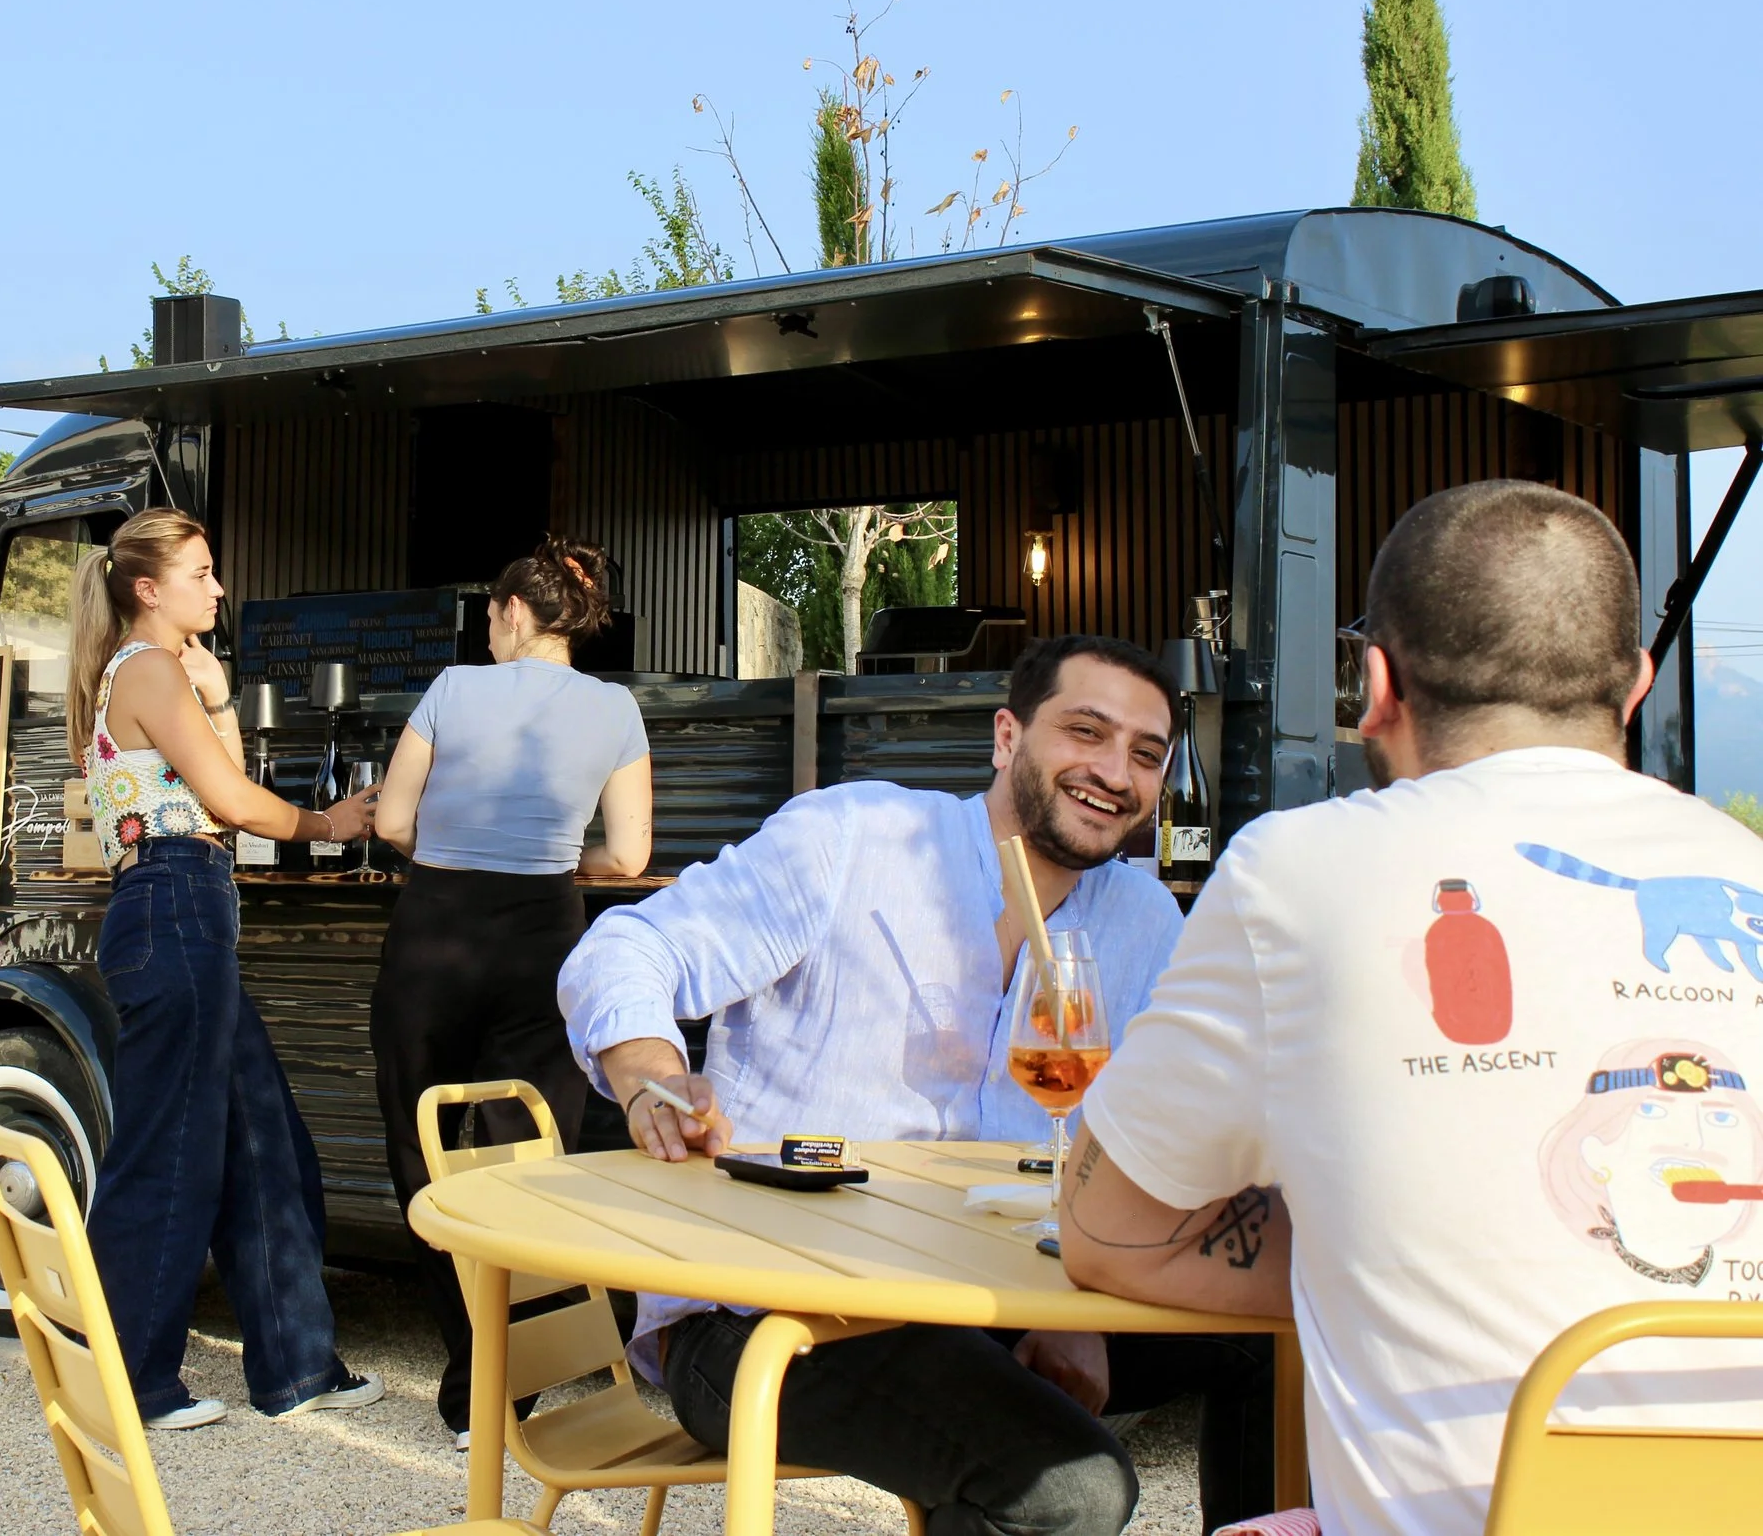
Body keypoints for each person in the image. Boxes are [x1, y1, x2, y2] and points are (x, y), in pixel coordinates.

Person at [1062, 481, 1763, 1536]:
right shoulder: (1745, 865)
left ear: (1375, 684)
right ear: (1635, 687)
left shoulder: (1297, 873)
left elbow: (1104, 1232)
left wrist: (1390, 1255)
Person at [559, 634, 1274, 1535]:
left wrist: (1086, 1300)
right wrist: (653, 1077)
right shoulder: (855, 837)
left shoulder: (1137, 915)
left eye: (1144, 753)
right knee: (1073, 1492)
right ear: (1007, 737)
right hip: (775, 1309)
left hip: (998, 1298)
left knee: (1276, 1332)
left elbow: (1164, 1130)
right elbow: (631, 946)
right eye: (1085, 731)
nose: (1113, 772)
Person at [69, 506, 386, 1430]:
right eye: (202, 572)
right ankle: (131, 1380)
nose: (218, 587)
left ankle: (295, 1364)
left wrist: (215, 699)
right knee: (170, 1146)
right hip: (173, 906)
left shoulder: (162, 673)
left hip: (187, 907)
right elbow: (231, 799)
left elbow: (218, 778)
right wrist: (331, 822)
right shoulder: (146, 666)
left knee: (262, 1138)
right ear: (148, 588)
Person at [369, 535, 654, 1448]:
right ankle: (497, 1393)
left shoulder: (453, 691)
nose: (484, 631)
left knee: (423, 1152)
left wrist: (453, 851)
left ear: (515, 612)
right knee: (523, 1156)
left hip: (436, 930)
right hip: (545, 935)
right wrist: (559, 860)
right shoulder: (616, 710)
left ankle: (470, 1365)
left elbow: (391, 819)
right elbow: (632, 855)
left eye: (488, 616)